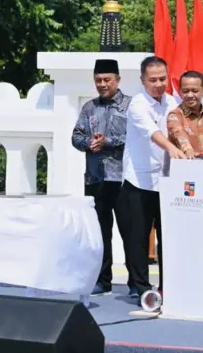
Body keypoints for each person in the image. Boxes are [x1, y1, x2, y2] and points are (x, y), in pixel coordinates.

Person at [120, 56, 187, 300]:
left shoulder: (173, 101)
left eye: (162, 79)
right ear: (142, 80)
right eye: (153, 80)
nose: (158, 84)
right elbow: (153, 132)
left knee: (168, 237)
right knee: (137, 237)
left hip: (168, 180)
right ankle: (141, 288)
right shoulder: (137, 104)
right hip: (139, 180)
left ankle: (168, 286)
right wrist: (172, 148)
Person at [71, 58, 132, 296]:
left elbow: (135, 139)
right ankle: (102, 280)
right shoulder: (89, 108)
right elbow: (76, 136)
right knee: (99, 233)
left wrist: (109, 142)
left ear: (117, 80)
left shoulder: (130, 106)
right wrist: (89, 143)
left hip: (124, 179)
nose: (102, 84)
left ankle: (136, 283)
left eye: (107, 79)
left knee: (130, 232)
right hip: (96, 178)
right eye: (98, 80)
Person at [166, 71, 203, 157]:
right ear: (180, 92)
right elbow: (179, 135)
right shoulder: (174, 115)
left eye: (195, 91)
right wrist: (188, 151)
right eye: (185, 91)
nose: (190, 95)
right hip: (185, 165)